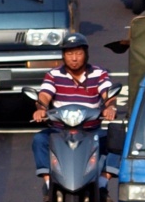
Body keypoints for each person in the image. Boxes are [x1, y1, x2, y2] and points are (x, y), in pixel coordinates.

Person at [30, 31, 116, 193]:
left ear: (86, 54)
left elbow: (108, 94)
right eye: (70, 54)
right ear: (63, 56)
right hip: (60, 130)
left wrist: (110, 107)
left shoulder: (99, 73)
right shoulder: (53, 75)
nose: (74, 58)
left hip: (91, 130)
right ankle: (49, 183)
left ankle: (103, 182)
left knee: (118, 141)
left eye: (78, 53)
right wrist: (41, 109)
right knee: (39, 139)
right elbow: (44, 95)